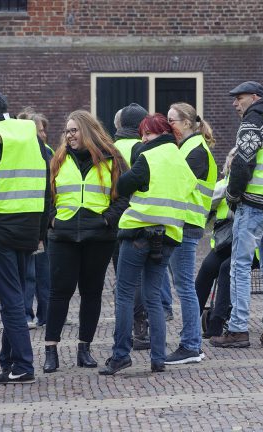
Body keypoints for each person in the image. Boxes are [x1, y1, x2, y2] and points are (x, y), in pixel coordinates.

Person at [99, 114, 196, 375]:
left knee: (125, 294)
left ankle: (120, 355)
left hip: (138, 233)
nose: (143, 139)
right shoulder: (181, 161)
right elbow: (189, 190)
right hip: (168, 237)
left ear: (159, 133)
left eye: (147, 134)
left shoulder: (147, 157)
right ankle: (158, 358)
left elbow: (123, 184)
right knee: (154, 297)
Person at [0, 91, 50, 384]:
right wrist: (40, 232)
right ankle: (9, 361)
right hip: (28, 227)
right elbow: (46, 187)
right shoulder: (31, 137)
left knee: (11, 297)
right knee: (15, 293)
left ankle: (24, 366)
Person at [211, 81, 263, 349]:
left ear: (255, 97)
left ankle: (238, 329)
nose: (235, 103)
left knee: (240, 266)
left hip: (254, 205)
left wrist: (233, 196)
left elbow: (242, 162)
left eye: (239, 98)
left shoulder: (254, 120)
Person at [42, 110, 128, 373]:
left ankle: (84, 349)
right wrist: (52, 220)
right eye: (67, 131)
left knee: (91, 292)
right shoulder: (57, 159)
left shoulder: (112, 159)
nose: (69, 135)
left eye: (74, 130)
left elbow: (124, 196)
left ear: (88, 131)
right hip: (63, 236)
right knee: (59, 292)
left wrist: (107, 220)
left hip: (98, 236)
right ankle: (51, 350)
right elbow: (47, 195)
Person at [161, 103, 217, 365]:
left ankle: (191, 345)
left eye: (172, 120)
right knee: (184, 286)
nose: (168, 125)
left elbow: (175, 185)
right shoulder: (190, 148)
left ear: (186, 122)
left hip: (186, 225)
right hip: (184, 224)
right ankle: (191, 342)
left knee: (185, 287)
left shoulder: (194, 151)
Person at [111, 103, 159, 349]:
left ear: (119, 125)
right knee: (142, 278)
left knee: (123, 279)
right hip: (141, 218)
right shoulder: (144, 149)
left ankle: (124, 330)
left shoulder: (110, 148)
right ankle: (141, 326)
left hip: (112, 220)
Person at [195, 147, 238, 338]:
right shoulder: (222, 185)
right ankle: (190, 321)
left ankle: (217, 323)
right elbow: (207, 205)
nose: (232, 162)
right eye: (231, 158)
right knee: (206, 269)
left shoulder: (247, 186)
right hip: (223, 245)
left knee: (225, 270)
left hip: (249, 249)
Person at [17, 108, 52, 329]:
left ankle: (47, 315)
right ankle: (26, 314)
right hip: (31, 219)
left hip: (45, 219)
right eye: (40, 130)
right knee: (29, 273)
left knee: (46, 273)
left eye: (44, 130)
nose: (43, 134)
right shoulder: (25, 152)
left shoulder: (49, 151)